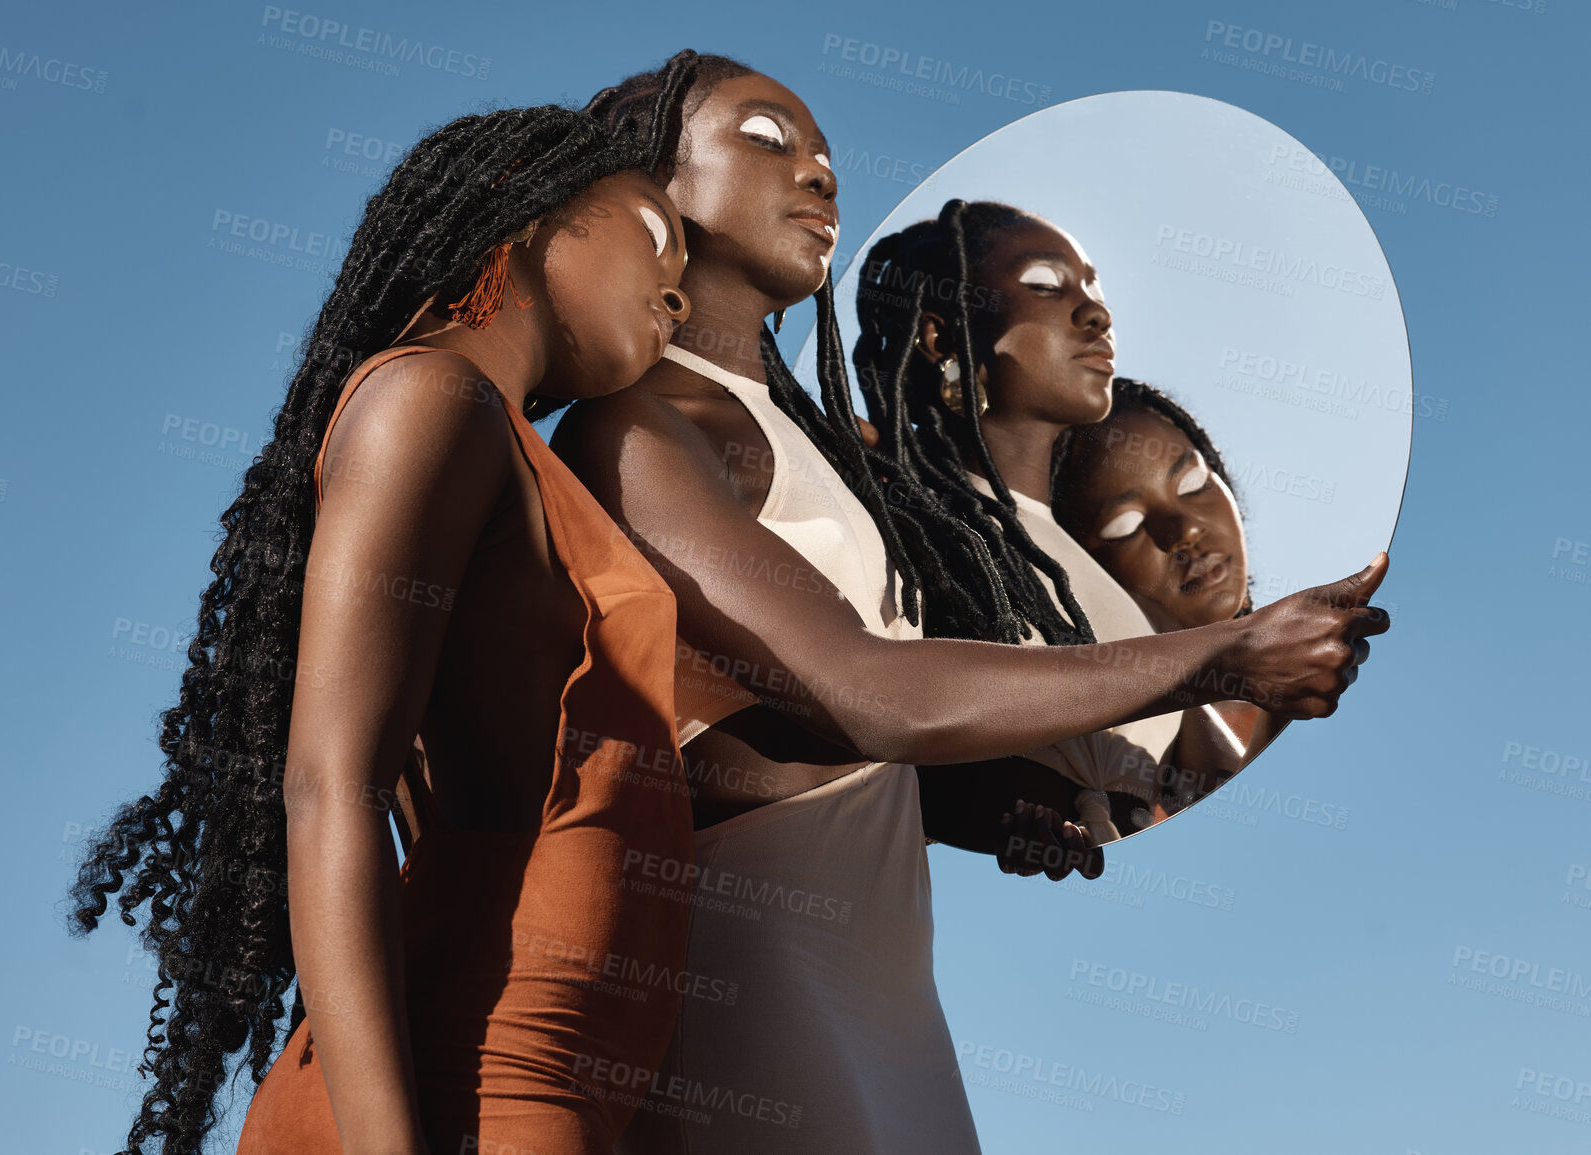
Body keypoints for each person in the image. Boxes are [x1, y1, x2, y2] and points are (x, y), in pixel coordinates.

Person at [560, 52, 1387, 1154]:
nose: (816, 171)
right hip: (748, 947)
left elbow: (799, 718)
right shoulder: (641, 429)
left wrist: (968, 805)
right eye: (767, 139)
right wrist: (1219, 656)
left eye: (825, 153)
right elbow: (855, 688)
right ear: (649, 180)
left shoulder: (794, 436)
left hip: (875, 953)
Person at [65, 104, 696, 1155]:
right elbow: (328, 785)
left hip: (546, 1094)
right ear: (524, 210)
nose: (677, 284)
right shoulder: (428, 399)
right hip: (465, 1092)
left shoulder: (510, 453)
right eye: (652, 232)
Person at [853, 200, 1272, 845]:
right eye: (1045, 286)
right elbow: (877, 719)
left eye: (1093, 286)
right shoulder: (908, 525)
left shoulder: (1082, 572)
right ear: (941, 337)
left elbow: (1221, 797)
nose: (1097, 313)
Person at [1051, 375, 1287, 800]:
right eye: (1125, 525)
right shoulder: (1092, 745)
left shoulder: (1314, 675)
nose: (1186, 529)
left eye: (1193, 483)